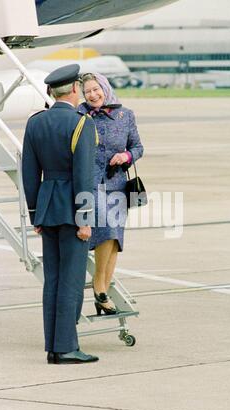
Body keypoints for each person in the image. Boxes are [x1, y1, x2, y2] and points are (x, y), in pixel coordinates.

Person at [22, 64, 99, 364]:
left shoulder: (36, 122)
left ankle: (53, 347)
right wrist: (85, 219)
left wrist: (34, 214)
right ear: (76, 89)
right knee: (70, 280)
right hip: (72, 211)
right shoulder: (82, 123)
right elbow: (83, 176)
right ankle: (66, 347)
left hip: (47, 208)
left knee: (52, 280)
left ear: (52, 92)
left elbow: (30, 173)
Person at [78, 73, 144, 315]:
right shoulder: (80, 116)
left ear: (105, 88)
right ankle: (99, 287)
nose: (93, 95)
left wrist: (125, 157)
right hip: (91, 184)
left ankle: (102, 294)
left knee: (115, 240)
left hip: (117, 183)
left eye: (96, 89)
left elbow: (137, 147)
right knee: (106, 227)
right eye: (88, 92)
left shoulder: (125, 115)